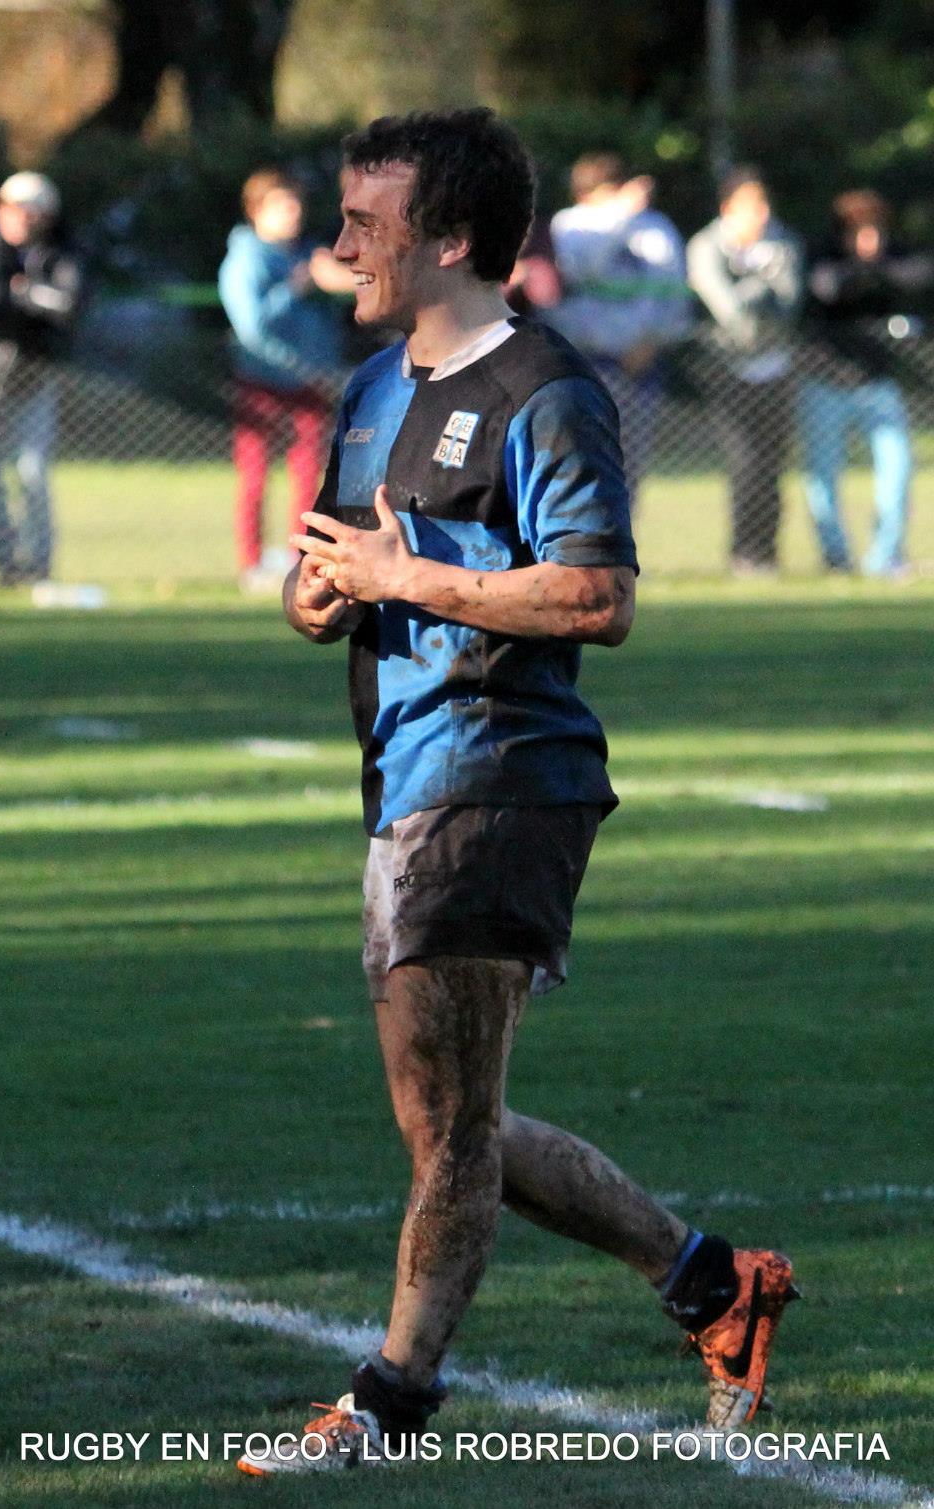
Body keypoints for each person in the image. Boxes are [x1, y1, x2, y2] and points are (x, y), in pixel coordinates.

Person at [238, 109, 795, 1474]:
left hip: (501, 780)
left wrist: (406, 580)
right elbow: (340, 572)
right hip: (406, 772)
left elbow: (599, 593)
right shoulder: (371, 389)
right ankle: (714, 1282)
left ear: (452, 239)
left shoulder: (548, 390)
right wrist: (321, 596)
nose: (341, 243)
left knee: (455, 1132)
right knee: (452, 1122)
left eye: (366, 223)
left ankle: (388, 1402)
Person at [217, 169, 347, 588]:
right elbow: (253, 326)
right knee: (255, 474)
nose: (293, 213)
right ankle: (251, 563)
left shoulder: (308, 253)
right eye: (281, 205)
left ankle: (301, 558)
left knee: (310, 473)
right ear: (257, 211)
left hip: (311, 382)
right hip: (261, 380)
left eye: (295, 205)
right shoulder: (245, 259)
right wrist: (296, 288)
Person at [799, 188, 931, 576]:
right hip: (825, 380)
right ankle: (836, 557)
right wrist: (864, 267)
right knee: (822, 475)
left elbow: (919, 274)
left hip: (876, 382)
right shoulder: (823, 254)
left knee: (898, 467)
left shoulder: (893, 255)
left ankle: (885, 556)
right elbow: (827, 288)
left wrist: (877, 264)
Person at [548, 153, 694, 506]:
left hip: (642, 361)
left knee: (631, 462)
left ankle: (621, 548)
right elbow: (582, 273)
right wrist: (619, 220)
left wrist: (655, 342)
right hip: (589, 360)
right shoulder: (571, 225)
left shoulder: (655, 227)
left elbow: (674, 291)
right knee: (580, 457)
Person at [0, 171, 84, 585]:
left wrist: (25, 293)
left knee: (33, 471)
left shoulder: (61, 249)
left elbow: (69, 302)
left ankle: (40, 566)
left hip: (33, 373)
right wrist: (31, 295)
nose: (20, 219)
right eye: (13, 209)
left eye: (30, 212)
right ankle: (7, 567)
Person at [687, 167, 802, 574]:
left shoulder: (783, 242)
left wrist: (766, 281)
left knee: (772, 466)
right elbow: (729, 309)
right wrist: (762, 280)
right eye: (751, 206)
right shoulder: (707, 245)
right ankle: (743, 553)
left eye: (764, 205)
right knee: (744, 463)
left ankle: (767, 553)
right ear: (728, 208)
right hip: (727, 368)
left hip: (776, 366)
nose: (762, 214)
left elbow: (790, 303)